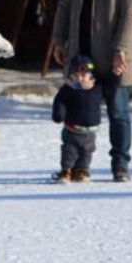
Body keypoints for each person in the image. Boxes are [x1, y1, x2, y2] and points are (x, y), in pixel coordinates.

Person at [52, 0, 132, 182]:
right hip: (82, 54)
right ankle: (80, 165)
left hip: (114, 54)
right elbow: (65, 5)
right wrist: (59, 39)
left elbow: (130, 13)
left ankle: (120, 165)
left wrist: (121, 49)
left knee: (118, 112)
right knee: (79, 113)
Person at [51, 55, 119, 184]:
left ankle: (81, 170)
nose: (82, 78)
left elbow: (110, 90)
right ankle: (66, 171)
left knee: (87, 152)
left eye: (85, 75)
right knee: (69, 151)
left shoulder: (97, 88)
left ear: (90, 75)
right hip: (72, 128)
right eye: (78, 75)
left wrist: (115, 76)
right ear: (72, 75)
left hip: (90, 131)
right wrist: (59, 114)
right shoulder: (68, 89)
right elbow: (60, 101)